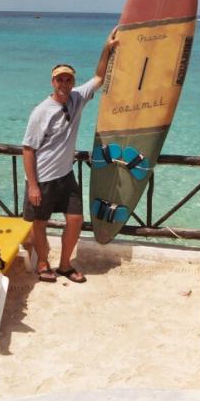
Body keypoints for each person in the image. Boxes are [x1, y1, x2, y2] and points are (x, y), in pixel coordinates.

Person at [22, 28, 118, 284]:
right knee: (39, 223)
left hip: (66, 176)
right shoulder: (42, 112)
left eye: (68, 80)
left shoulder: (77, 99)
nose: (64, 84)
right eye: (59, 80)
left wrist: (107, 47)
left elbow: (99, 76)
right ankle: (43, 264)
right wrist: (32, 185)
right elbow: (28, 149)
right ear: (52, 82)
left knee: (75, 220)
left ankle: (65, 265)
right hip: (42, 178)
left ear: (73, 82)